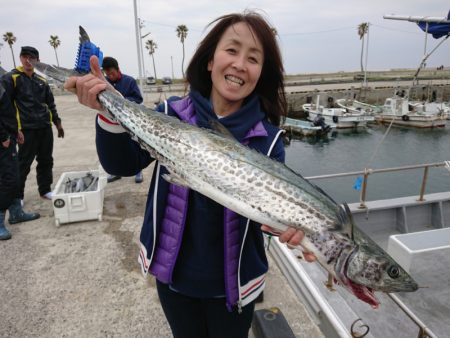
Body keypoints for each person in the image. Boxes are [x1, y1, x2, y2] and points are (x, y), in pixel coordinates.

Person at [65, 11, 315, 338]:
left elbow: (263, 216)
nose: (240, 63)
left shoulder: (268, 141)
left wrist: (294, 229)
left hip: (236, 288)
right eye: (232, 50)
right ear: (210, 61)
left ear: (260, 73)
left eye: (253, 58)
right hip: (175, 280)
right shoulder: (171, 114)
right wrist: (108, 112)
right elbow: (121, 165)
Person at [1, 46, 64, 203]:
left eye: (32, 58)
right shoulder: (11, 78)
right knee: (23, 163)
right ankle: (18, 196)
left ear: (38, 61)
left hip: (44, 127)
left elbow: (50, 104)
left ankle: (45, 190)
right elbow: (5, 107)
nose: (28, 61)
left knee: (46, 160)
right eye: (25, 57)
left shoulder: (42, 80)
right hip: (25, 129)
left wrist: (58, 123)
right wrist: (14, 130)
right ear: (21, 58)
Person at [0, 69, 40, 240]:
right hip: (3, 139)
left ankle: (16, 213)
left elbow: (7, 110)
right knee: (6, 179)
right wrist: (3, 136)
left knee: (15, 175)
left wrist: (15, 131)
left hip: (10, 135)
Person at [101, 56, 144, 184]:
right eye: (107, 74)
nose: (110, 76)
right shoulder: (105, 83)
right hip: (112, 121)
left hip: (130, 121)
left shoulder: (129, 81)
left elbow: (138, 99)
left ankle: (138, 171)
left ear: (118, 69)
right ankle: (116, 173)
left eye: (112, 73)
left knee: (134, 145)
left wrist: (122, 101)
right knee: (114, 147)